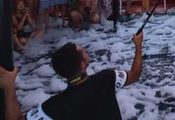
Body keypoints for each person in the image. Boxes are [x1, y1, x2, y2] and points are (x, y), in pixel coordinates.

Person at [0, 32, 144, 120]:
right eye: (84, 51)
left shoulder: (56, 105)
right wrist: (138, 45)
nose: (87, 52)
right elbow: (135, 75)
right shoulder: (107, 78)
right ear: (82, 65)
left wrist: (9, 88)